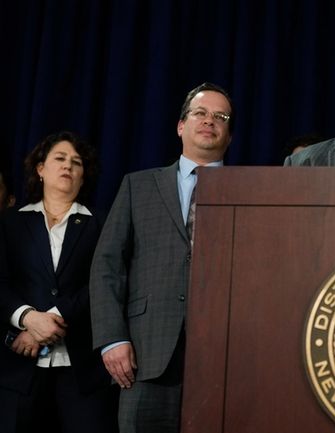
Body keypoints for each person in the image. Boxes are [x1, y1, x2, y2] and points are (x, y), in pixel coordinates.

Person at [89, 82, 233, 432]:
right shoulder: (138, 186)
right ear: (181, 126)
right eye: (200, 113)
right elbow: (107, 266)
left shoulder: (249, 191)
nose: (209, 121)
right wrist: (113, 338)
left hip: (226, 359)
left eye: (221, 117)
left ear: (229, 135)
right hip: (145, 354)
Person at [0, 131, 117, 432]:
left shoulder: (103, 222)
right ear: (40, 169)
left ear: (83, 176)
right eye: (60, 159)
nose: (68, 166)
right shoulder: (10, 222)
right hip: (19, 367)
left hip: (83, 372)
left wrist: (53, 318)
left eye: (76, 163)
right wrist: (26, 318)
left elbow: (105, 281)